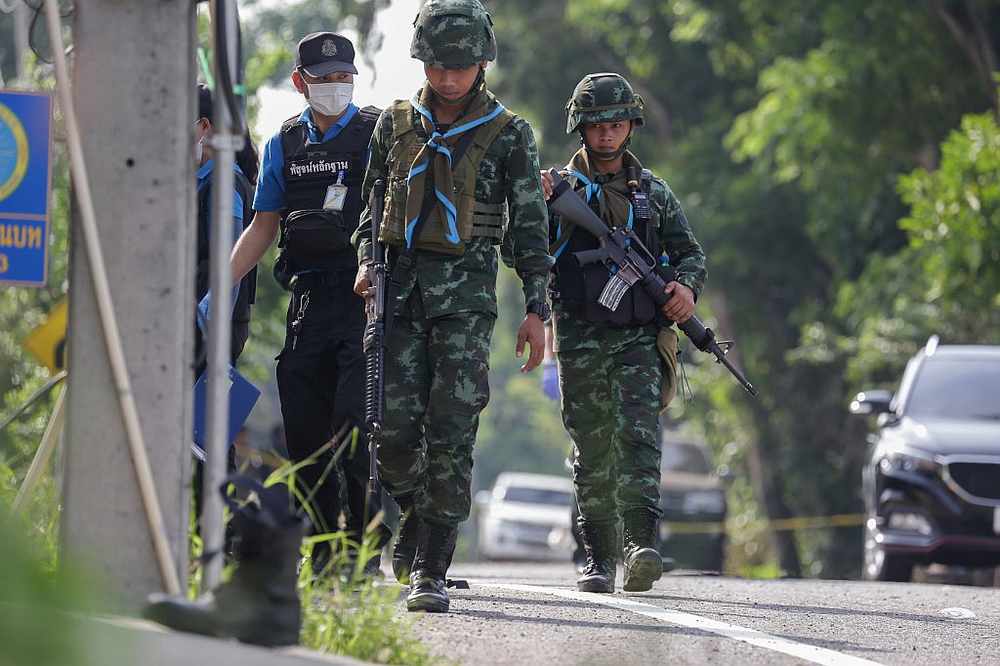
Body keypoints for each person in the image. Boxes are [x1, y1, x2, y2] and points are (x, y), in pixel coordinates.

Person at [353, 0, 552, 613]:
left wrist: (537, 308)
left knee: (452, 432)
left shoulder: (509, 133)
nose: (447, 78)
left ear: (483, 62)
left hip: (466, 310)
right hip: (397, 300)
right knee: (390, 435)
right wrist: (365, 259)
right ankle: (416, 518)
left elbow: (529, 228)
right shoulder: (393, 124)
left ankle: (431, 569)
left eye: (460, 66)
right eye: (438, 65)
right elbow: (368, 210)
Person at [224, 31, 390, 575]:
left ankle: (361, 547)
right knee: (304, 435)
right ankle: (322, 550)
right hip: (309, 302)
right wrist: (218, 286)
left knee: (356, 432)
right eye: (324, 80)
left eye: (344, 77)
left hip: (363, 300)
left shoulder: (375, 134)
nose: (336, 88)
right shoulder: (285, 142)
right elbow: (263, 225)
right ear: (300, 83)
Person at [541, 72, 707, 594]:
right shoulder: (556, 190)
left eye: (615, 124)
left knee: (638, 438)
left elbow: (690, 254)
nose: (607, 134)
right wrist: (540, 206)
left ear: (630, 126)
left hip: (638, 334)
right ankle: (598, 557)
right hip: (579, 332)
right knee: (591, 445)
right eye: (596, 126)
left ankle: (641, 545)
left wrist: (686, 289)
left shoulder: (654, 194)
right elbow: (523, 252)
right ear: (580, 130)